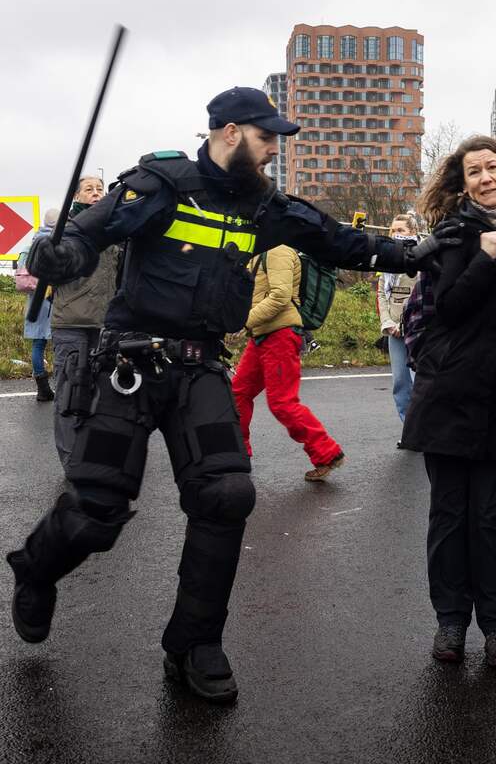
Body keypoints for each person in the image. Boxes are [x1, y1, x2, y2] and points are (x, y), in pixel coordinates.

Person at [8, 86, 452, 704]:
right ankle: (35, 570)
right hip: (129, 365)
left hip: (199, 368)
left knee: (226, 494)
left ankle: (194, 644)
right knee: (94, 512)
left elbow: (337, 240)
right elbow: (88, 234)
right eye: (267, 137)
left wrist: (415, 253)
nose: (274, 150)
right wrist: (60, 252)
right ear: (229, 132)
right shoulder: (160, 183)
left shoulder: (260, 205)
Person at [401, 136, 496, 671]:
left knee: (495, 516)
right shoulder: (453, 233)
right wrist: (483, 259)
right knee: (450, 515)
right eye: (474, 171)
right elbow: (448, 309)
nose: (485, 178)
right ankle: (451, 620)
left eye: (493, 168)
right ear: (462, 183)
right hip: (450, 393)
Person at [231, 244, 345, 482]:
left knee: (282, 403)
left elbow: (280, 297)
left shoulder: (278, 250)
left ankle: (327, 453)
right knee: (238, 393)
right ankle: (238, 455)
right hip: (262, 335)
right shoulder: (259, 252)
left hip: (280, 335)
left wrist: (244, 321)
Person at [50, 176, 122, 469]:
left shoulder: (114, 231)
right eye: (89, 189)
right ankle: (71, 459)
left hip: (104, 325)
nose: (96, 194)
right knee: (70, 393)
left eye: (99, 189)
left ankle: (93, 452)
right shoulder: (67, 231)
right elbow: (49, 269)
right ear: (77, 196)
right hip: (72, 323)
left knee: (102, 392)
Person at [377, 214, 419, 430]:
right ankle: (409, 428)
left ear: (412, 232)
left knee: (419, 381)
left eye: (400, 230)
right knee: (400, 382)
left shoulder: (421, 256)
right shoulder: (387, 259)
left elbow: (420, 294)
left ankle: (425, 428)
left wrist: (406, 323)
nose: (395, 234)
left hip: (418, 330)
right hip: (393, 330)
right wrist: (387, 322)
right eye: (393, 230)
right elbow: (382, 295)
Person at [18, 211, 58, 401]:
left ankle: (42, 388)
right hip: (56, 298)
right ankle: (64, 385)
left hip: (35, 298)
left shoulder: (30, 245)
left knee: (38, 342)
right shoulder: (59, 243)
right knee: (62, 343)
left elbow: (20, 272)